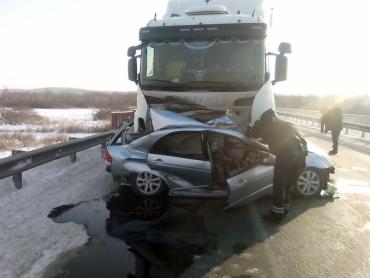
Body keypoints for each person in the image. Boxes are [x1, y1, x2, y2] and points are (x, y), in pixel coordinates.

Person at [251, 109, 307, 222]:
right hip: (300, 158)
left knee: (279, 186)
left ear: (267, 120)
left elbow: (254, 133)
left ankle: (276, 216)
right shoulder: (287, 124)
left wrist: (256, 124)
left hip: (287, 157)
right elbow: (303, 141)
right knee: (288, 185)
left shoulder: (269, 126)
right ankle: (284, 209)